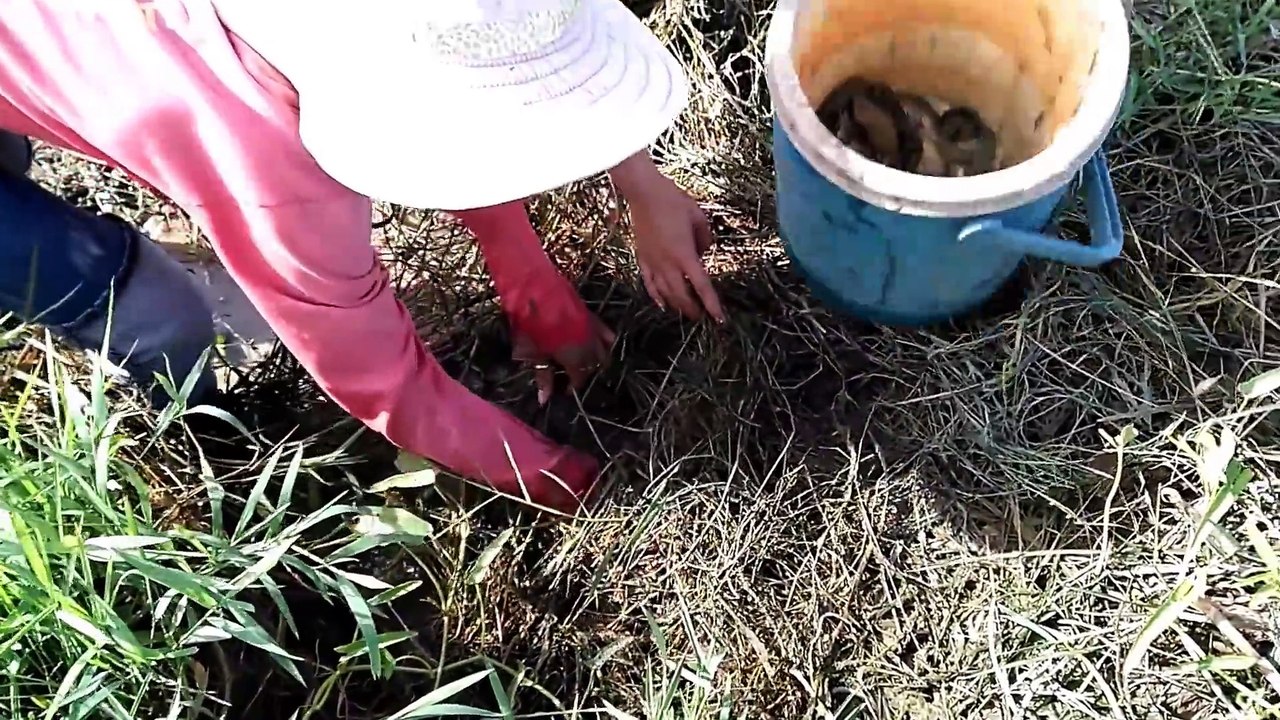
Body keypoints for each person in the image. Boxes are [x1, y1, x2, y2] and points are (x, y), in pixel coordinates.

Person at [0, 0, 726, 514]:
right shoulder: (270, 174)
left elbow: (474, 78)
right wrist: (572, 484)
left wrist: (537, 270)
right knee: (155, 313)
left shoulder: (360, 31)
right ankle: (205, 447)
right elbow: (389, 385)